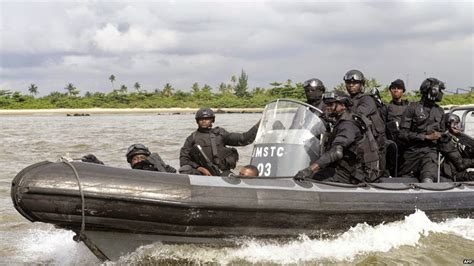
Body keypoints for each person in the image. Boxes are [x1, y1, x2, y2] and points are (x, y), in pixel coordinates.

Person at [293, 91, 379, 184]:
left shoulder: (348, 124)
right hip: (349, 168)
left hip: (357, 174)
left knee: (312, 178)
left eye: (331, 104)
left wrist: (310, 169)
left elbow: (336, 152)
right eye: (326, 104)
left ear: (342, 105)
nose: (327, 107)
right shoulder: (343, 119)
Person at [179, 108, 259, 176]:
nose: (204, 121)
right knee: (185, 169)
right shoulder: (192, 138)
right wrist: (200, 168)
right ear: (197, 121)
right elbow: (183, 160)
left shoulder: (220, 134)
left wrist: (258, 125)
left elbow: (243, 139)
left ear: (212, 120)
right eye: (201, 119)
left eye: (207, 119)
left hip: (221, 172)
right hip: (202, 173)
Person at [398, 77, 446, 183]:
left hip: (430, 152)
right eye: (439, 90)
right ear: (432, 91)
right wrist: (425, 137)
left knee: (428, 178)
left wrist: (443, 136)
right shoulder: (412, 108)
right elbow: (402, 134)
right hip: (412, 152)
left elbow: (443, 133)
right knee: (405, 182)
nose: (441, 93)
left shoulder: (440, 111)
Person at [343, 69, 386, 175]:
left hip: (373, 145)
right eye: (349, 83)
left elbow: (357, 115)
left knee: (372, 175)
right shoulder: (346, 100)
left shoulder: (367, 99)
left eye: (355, 83)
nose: (351, 85)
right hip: (356, 143)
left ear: (361, 84)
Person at [383, 79, 410, 176]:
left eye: (398, 88)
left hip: (406, 143)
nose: (395, 90)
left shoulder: (409, 107)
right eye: (393, 88)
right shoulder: (386, 107)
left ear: (403, 91)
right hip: (391, 144)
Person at [438, 114, 474, 181]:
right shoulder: (445, 141)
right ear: (448, 125)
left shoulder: (456, 137)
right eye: (454, 124)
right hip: (453, 175)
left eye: (458, 124)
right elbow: (461, 165)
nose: (457, 126)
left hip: (460, 172)